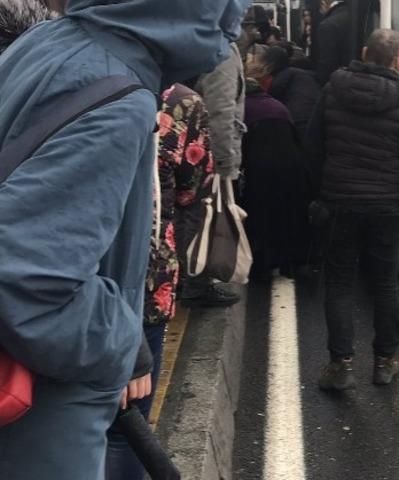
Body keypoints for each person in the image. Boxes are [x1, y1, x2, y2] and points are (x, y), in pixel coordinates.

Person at [0, 1, 250, 479]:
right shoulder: (119, 96)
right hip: (48, 415)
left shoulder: (49, 46)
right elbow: (29, 279)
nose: (234, 25)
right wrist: (118, 339)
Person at [305, 29, 399, 390]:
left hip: (339, 202)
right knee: (385, 283)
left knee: (340, 282)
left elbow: (312, 147)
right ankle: (384, 363)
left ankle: (341, 365)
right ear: (397, 61)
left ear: (364, 53)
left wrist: (323, 190)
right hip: (386, 206)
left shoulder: (333, 89)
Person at [105, 84, 215, 480]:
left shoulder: (58, 79)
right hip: (149, 281)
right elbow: (192, 190)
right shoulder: (181, 103)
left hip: (68, 282)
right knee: (127, 427)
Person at [182, 41, 247, 307]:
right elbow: (220, 111)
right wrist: (226, 164)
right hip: (206, 150)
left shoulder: (193, 39)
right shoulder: (222, 52)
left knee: (188, 213)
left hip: (185, 142)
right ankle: (195, 284)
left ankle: (186, 280)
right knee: (204, 216)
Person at [240, 78, 312, 280]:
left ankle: (263, 263)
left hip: (260, 165)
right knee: (291, 212)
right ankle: (294, 261)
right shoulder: (279, 106)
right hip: (292, 163)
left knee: (262, 213)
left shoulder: (244, 108)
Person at [264, 44, 321, 133]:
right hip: (315, 115)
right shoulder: (302, 74)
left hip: (298, 117)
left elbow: (274, 94)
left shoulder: (283, 75)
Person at [316, 0, 351, 85]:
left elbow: (327, 65)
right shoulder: (359, 16)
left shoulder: (327, 25)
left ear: (323, 3)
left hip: (337, 85)